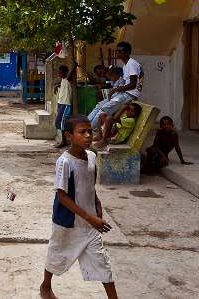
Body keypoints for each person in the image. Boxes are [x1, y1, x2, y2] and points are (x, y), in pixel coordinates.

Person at [40, 116, 117, 299]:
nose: (88, 135)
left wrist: (97, 204)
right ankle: (45, 286)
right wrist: (90, 217)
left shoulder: (91, 156)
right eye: (82, 132)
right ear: (69, 135)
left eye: (90, 131)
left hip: (90, 225)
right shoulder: (64, 162)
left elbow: (90, 185)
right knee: (57, 255)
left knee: (103, 264)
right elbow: (62, 196)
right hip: (68, 222)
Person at [90, 42, 143, 133]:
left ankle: (90, 130)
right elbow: (126, 82)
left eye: (119, 51)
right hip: (123, 93)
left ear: (127, 52)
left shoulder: (132, 64)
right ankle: (87, 124)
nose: (117, 53)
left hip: (128, 95)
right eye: (117, 51)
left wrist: (114, 89)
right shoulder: (126, 65)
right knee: (99, 106)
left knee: (103, 109)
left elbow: (133, 84)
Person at [54, 63, 77, 149]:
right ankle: (64, 140)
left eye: (61, 72)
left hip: (65, 104)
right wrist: (57, 85)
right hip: (60, 103)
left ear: (66, 72)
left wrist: (74, 66)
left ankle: (65, 141)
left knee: (62, 123)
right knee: (59, 123)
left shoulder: (68, 79)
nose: (59, 74)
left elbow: (70, 75)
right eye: (59, 73)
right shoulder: (63, 80)